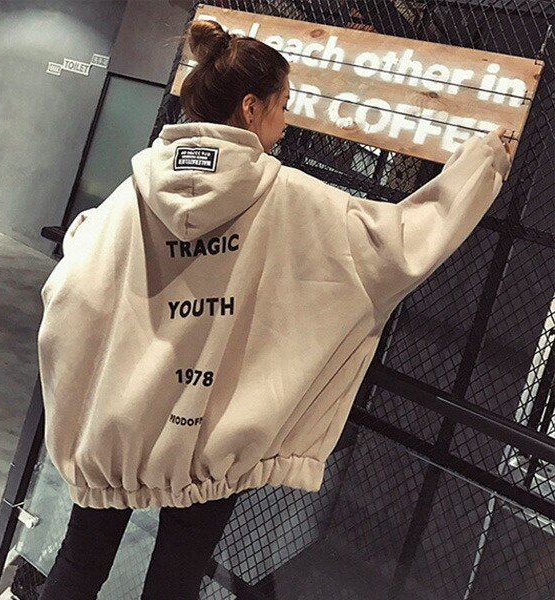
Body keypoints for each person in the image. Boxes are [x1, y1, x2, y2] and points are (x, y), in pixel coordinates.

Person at [36, 19, 512, 600]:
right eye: (283, 105)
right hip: (209, 438)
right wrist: (480, 164)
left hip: (116, 422)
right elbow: (396, 244)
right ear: (251, 107)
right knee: (176, 577)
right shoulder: (292, 198)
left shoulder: (134, 188)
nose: (286, 122)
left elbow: (75, 274)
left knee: (80, 562)